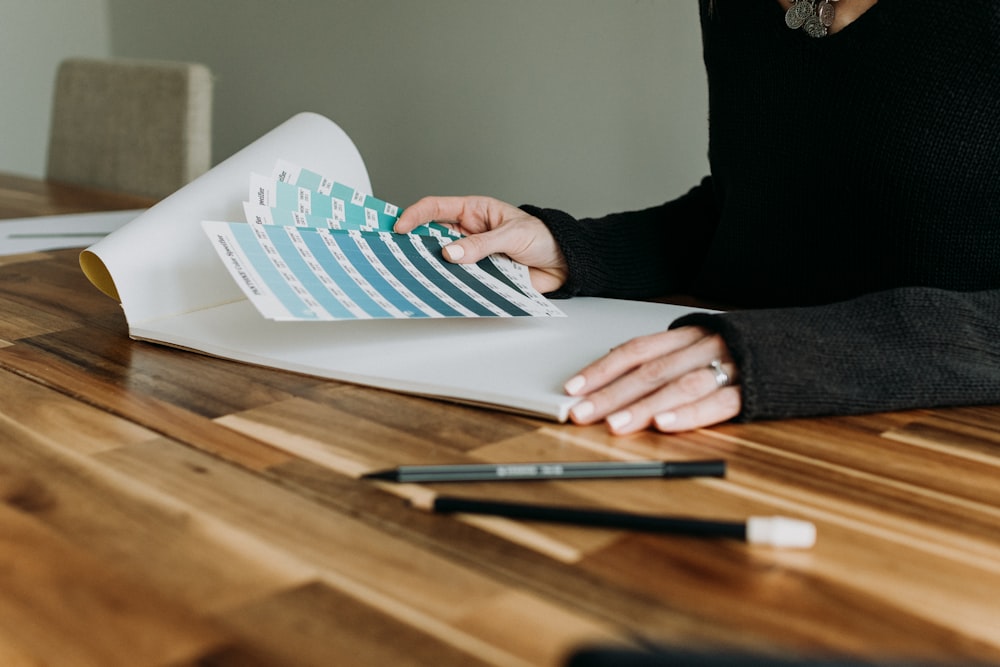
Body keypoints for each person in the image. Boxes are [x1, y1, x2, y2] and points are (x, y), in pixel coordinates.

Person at [395, 0, 1000, 435]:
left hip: (939, 452)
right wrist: (573, 248)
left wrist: (792, 353)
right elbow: (749, 211)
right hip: (738, 418)